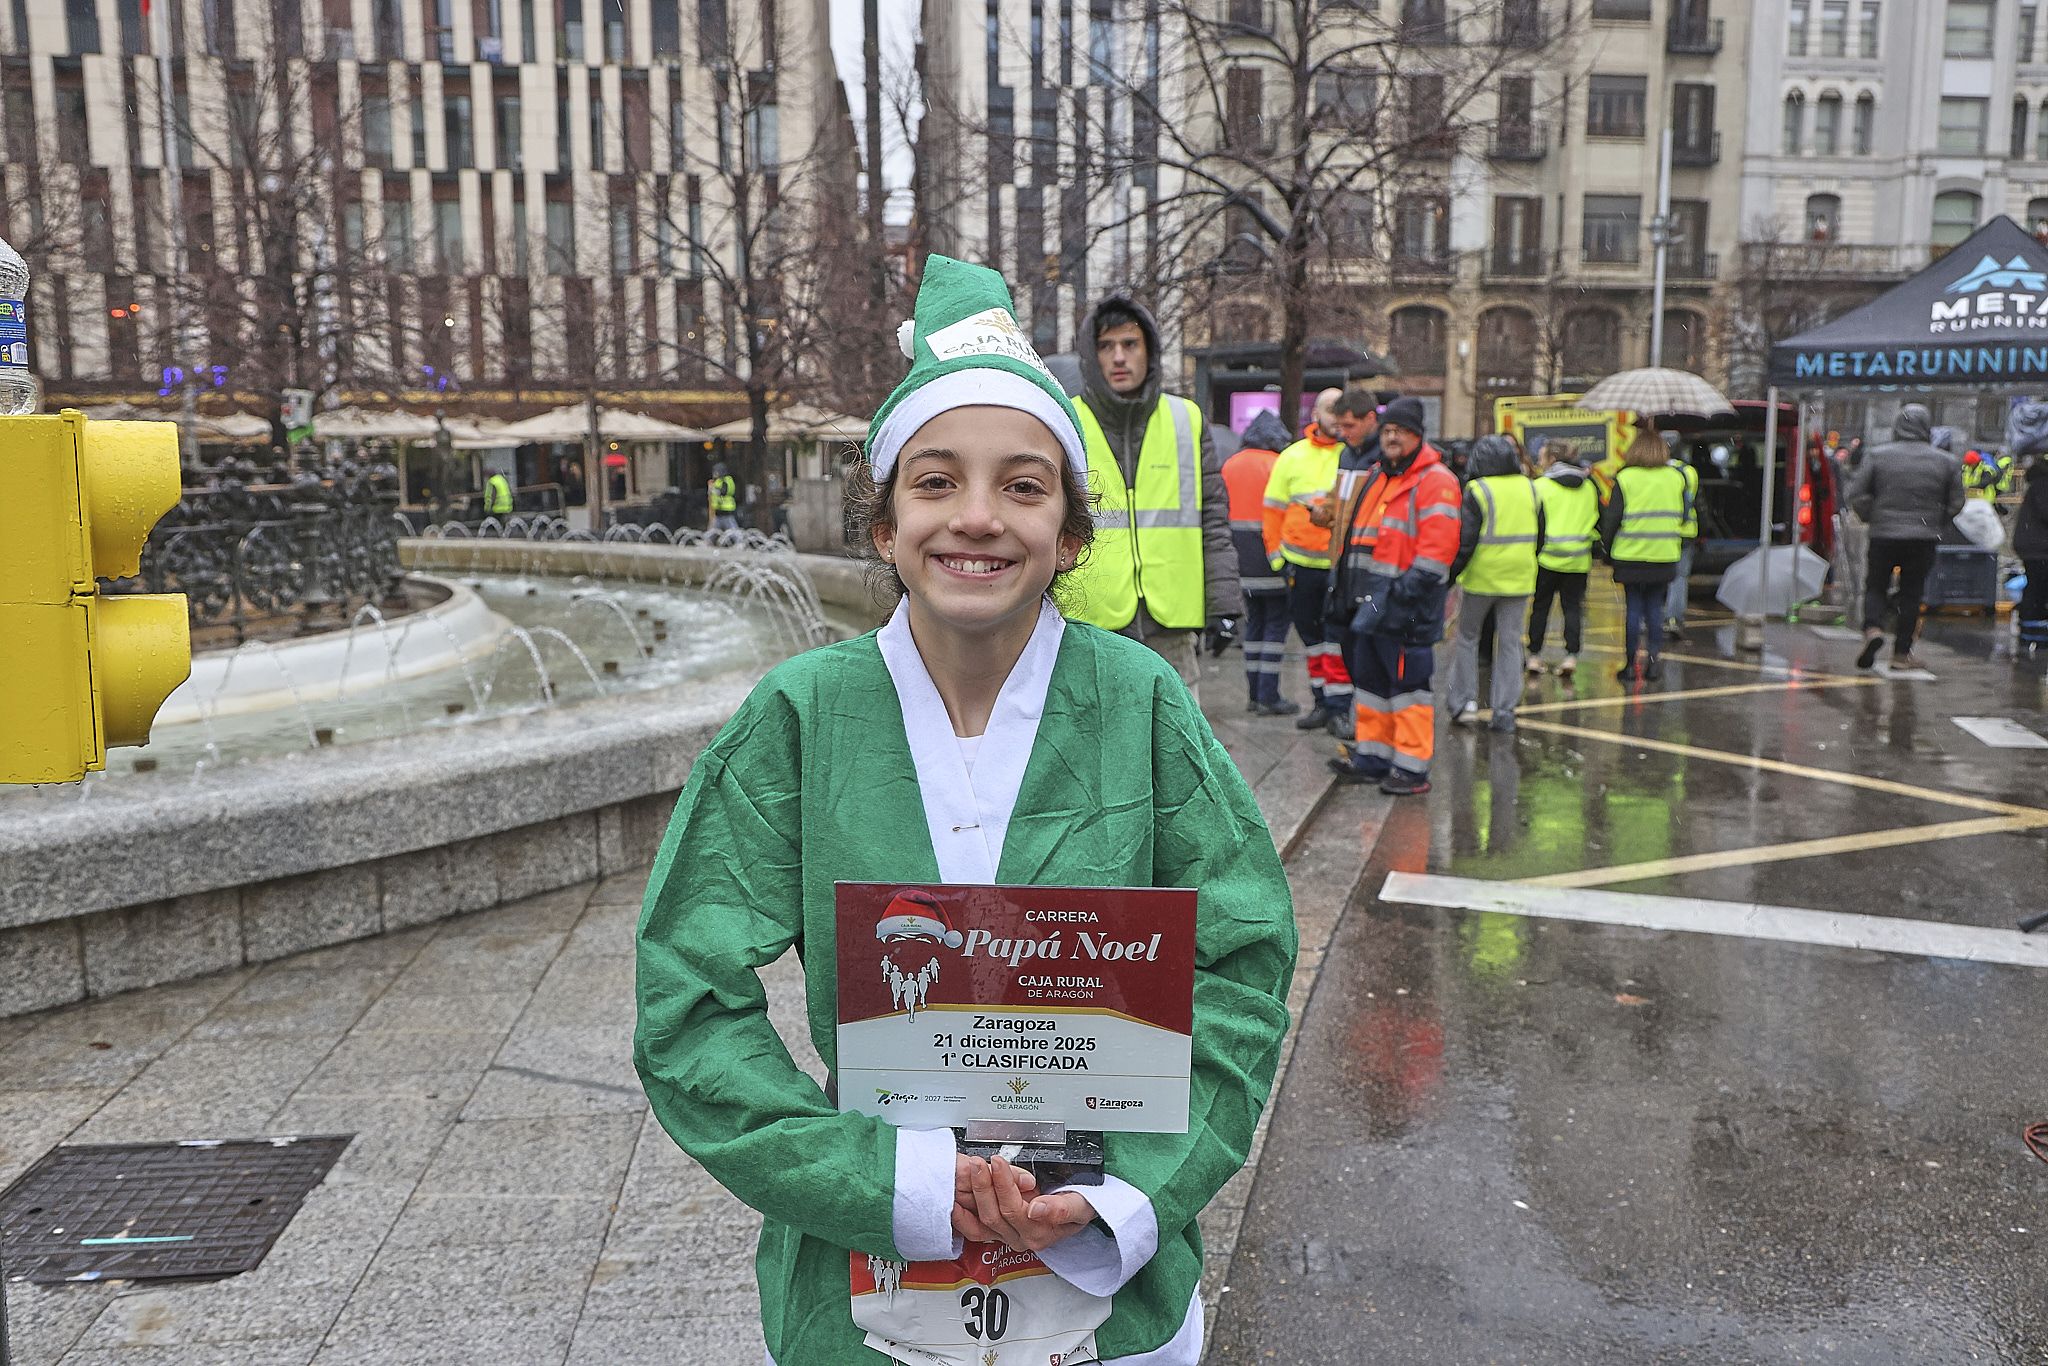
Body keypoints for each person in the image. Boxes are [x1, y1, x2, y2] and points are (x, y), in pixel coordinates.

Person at [633, 253, 1297, 1366]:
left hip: (1109, 1286)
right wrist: (878, 1179)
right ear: (883, 525)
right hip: (863, 1291)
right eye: (935, 482)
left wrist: (1131, 1186)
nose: (977, 518)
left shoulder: (1140, 703)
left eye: (1024, 487)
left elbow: (1243, 958)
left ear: (1070, 535)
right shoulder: (800, 714)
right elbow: (686, 999)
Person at [1066, 293, 1240, 698]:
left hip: (1171, 627)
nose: (1119, 357)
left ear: (1150, 351)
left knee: (1174, 735)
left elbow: (1213, 520)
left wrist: (1225, 605)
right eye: (1106, 346)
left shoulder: (1185, 419)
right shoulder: (1067, 420)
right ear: (1091, 356)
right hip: (1092, 626)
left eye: (1130, 344)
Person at [1323, 396, 1461, 795]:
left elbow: (1436, 555)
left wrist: (1401, 595)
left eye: (1401, 431)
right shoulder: (1379, 476)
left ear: (1417, 435)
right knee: (1371, 686)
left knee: (1408, 690)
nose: (1392, 437)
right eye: (1387, 430)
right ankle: (1374, 757)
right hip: (1371, 602)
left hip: (1406, 606)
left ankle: (1411, 769)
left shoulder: (1435, 481)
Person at [1845, 403, 1965, 674]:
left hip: (1884, 533)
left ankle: (1873, 628)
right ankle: (1901, 653)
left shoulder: (1877, 456)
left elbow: (1856, 493)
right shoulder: (1946, 462)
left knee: (1876, 585)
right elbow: (1957, 502)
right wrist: (1936, 521)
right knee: (1912, 593)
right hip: (1922, 537)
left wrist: (1872, 515)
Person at [1263, 390, 1352, 731]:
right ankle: (1321, 703)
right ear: (1315, 413)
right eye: (1330, 409)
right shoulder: (1292, 457)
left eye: (1342, 410)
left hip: (1338, 567)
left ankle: (1339, 708)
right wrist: (1277, 560)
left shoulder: (1352, 455)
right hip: (1300, 566)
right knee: (1312, 640)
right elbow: (1272, 511)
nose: (1336, 416)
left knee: (1336, 640)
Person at [1445, 434, 1544, 731]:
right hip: (1520, 577)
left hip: (1482, 577)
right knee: (1511, 643)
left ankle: (1464, 704)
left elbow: (1465, 542)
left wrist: (1449, 577)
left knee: (1468, 638)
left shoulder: (1478, 490)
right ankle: (1505, 712)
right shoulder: (1530, 487)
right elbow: (1541, 536)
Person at [1224, 409, 1299, 714]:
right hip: (1272, 560)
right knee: (1276, 627)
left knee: (1254, 625)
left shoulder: (1231, 465)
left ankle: (1255, 694)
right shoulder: (1279, 465)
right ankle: (1269, 695)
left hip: (1240, 563)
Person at [1599, 429, 1687, 683]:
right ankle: (1653, 665)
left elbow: (1612, 519)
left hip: (1630, 555)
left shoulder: (1626, 478)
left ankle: (1629, 665)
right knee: (1655, 609)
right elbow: (1683, 515)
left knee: (1633, 609)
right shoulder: (1675, 477)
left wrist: (1606, 549)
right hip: (1664, 554)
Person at [1526, 441, 1598, 676]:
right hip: (1578, 559)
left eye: (1542, 457)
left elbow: (1533, 522)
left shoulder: (1540, 486)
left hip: (1546, 558)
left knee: (1540, 607)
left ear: (1553, 459)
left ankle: (1534, 655)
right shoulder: (1589, 487)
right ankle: (1571, 657)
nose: (1539, 462)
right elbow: (1597, 519)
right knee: (1572, 608)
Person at [1663, 447, 1702, 643]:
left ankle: (1652, 618)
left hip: (1661, 531)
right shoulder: (1689, 472)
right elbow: (1694, 500)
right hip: (1685, 532)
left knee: (1656, 576)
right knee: (1679, 577)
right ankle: (1674, 618)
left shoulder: (1656, 472)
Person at [2016, 455, 2048, 646]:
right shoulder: (2043, 484)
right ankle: (2033, 633)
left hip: (2033, 544)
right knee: (2038, 588)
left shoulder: (2038, 483)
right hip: (2039, 547)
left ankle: (2030, 631)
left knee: (2035, 587)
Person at [708, 460, 740, 531]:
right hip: (718, 512)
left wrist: (713, 490)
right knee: (712, 531)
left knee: (733, 531)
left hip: (727, 512)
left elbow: (724, 491)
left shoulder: (727, 480)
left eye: (716, 471)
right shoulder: (718, 481)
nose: (714, 473)